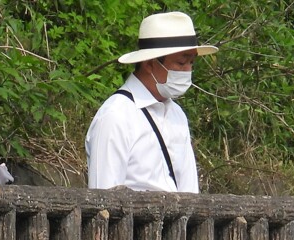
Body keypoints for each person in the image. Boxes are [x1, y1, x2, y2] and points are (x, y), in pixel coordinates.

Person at [85, 11, 217, 192]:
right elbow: (103, 195)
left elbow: (189, 191)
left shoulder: (177, 115)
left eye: (191, 63)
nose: (187, 70)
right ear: (149, 64)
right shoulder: (116, 116)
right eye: (181, 63)